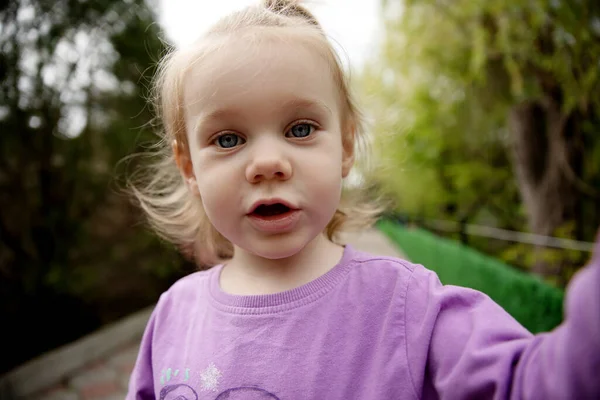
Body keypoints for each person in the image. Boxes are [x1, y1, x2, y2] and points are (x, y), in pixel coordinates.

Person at [126, 1, 600, 399]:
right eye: (228, 139)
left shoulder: (409, 308)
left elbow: (535, 383)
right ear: (189, 167)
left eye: (300, 129)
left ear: (346, 148)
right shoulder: (173, 315)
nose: (267, 162)